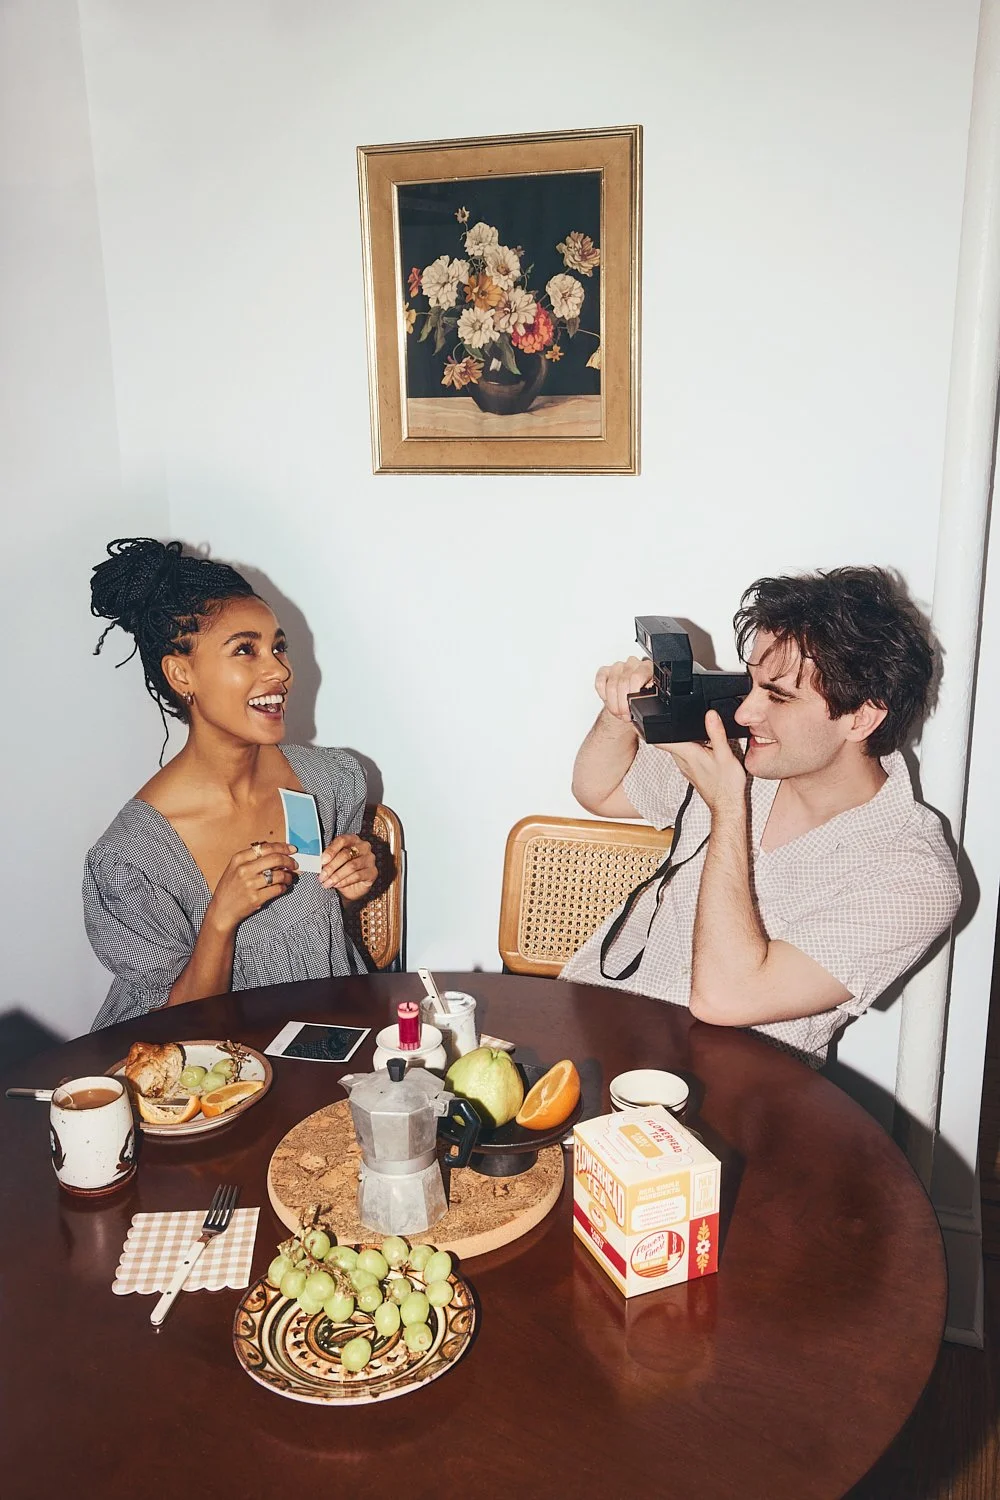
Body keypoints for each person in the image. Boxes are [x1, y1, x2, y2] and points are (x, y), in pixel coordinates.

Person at [561, 567, 961, 1066]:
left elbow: (726, 998)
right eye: (751, 684)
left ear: (862, 717)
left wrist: (728, 808)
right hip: (600, 1027)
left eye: (778, 695)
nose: (746, 713)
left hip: (729, 1098)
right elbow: (599, 790)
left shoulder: (913, 876)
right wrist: (621, 711)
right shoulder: (750, 758)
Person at [84, 537, 378, 1029]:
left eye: (277, 647)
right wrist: (221, 919)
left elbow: (315, 934)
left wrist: (357, 880)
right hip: (206, 1072)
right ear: (182, 674)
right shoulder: (132, 858)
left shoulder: (329, 781)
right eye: (246, 650)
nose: (279, 670)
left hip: (320, 1040)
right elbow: (167, 1033)